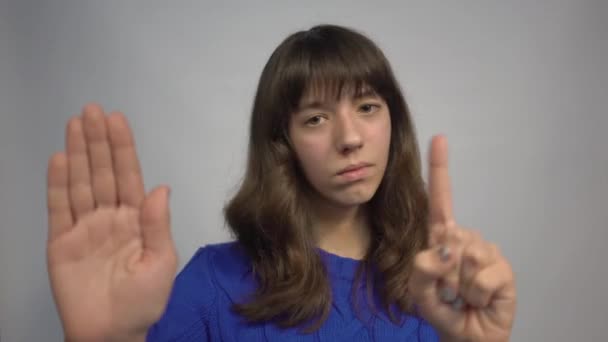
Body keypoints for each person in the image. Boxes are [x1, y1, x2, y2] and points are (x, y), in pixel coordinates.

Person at [45, 24, 516, 341]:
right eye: (315, 118)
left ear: (394, 121)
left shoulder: (440, 287)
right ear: (282, 142)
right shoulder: (214, 284)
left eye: (368, 107)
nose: (350, 138)